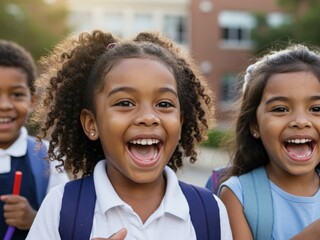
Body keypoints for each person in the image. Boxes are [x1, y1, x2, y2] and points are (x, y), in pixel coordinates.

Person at [25, 30, 232, 239]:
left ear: (180, 121)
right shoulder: (61, 207)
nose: (148, 117)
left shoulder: (210, 211)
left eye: (164, 104)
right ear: (91, 123)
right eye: (125, 103)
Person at [218, 44, 320, 240]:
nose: (300, 121)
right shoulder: (239, 195)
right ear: (254, 125)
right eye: (280, 109)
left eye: (316, 109)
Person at [0, 40, 69, 240]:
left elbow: (67, 225)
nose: (4, 105)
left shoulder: (48, 158)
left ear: (32, 101)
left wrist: (34, 219)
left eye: (16, 94)